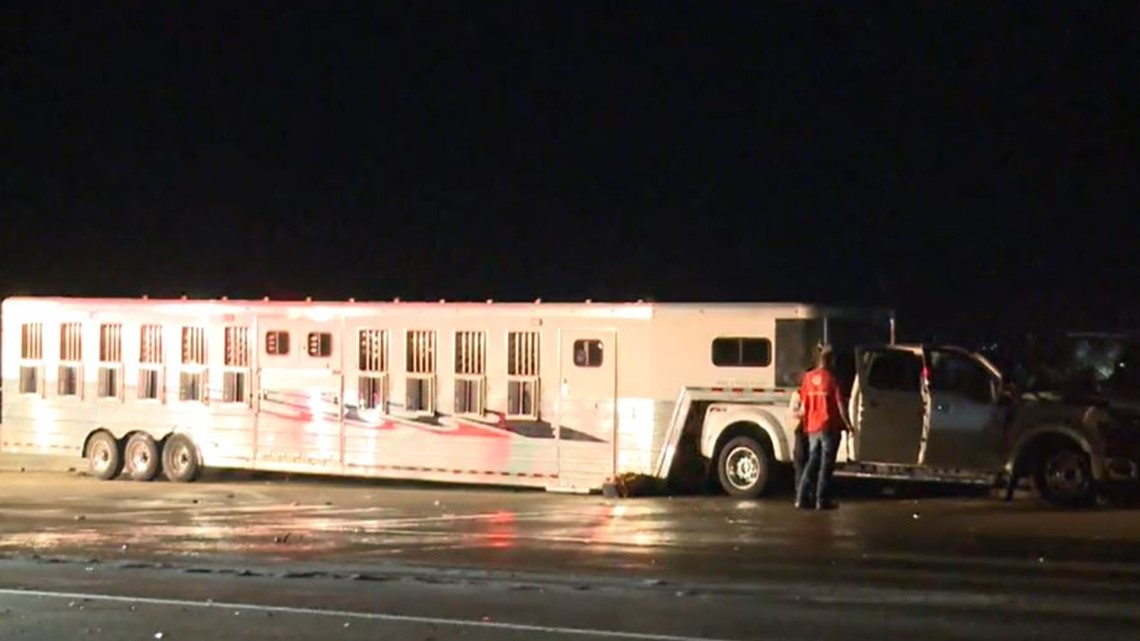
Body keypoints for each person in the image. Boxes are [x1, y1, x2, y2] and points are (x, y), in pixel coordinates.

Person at [795, 345, 851, 510]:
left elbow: (803, 405)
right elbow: (840, 405)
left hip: (812, 426)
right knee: (825, 465)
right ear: (830, 360)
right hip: (828, 426)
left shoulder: (807, 378)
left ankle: (801, 498)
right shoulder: (832, 379)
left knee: (812, 462)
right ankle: (821, 500)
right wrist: (848, 425)